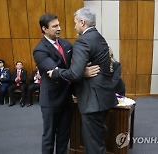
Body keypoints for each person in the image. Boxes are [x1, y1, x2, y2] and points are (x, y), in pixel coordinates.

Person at [47, 7, 118, 154]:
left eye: (75, 23)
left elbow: (74, 74)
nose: (74, 26)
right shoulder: (99, 37)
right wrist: (82, 71)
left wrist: (56, 72)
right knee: (97, 140)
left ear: (82, 22)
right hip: (104, 97)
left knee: (93, 145)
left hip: (93, 101)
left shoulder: (83, 41)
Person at [33, 14, 99, 154]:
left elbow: (77, 64)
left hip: (67, 99)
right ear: (44, 29)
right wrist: (81, 72)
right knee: (49, 137)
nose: (59, 28)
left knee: (64, 136)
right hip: (51, 100)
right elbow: (55, 71)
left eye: (59, 25)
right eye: (55, 26)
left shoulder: (66, 44)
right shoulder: (40, 50)